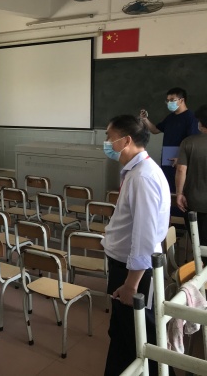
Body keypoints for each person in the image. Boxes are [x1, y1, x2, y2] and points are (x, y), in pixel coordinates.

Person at [101, 115, 170, 376]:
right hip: (126, 267)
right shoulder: (136, 171)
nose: (106, 143)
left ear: (126, 140)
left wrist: (131, 285)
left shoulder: (143, 177)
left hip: (132, 273)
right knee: (123, 334)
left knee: (140, 337)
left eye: (109, 137)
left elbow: (145, 238)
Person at [140, 87, 199, 192]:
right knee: (167, 189)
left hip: (181, 161)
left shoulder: (191, 118)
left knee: (179, 191)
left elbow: (193, 141)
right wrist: (145, 120)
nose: (169, 103)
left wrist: (181, 158)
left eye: (172, 100)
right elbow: (155, 130)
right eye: (167, 100)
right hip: (167, 159)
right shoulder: (170, 118)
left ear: (181, 100)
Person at [176, 104, 207, 247]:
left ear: (200, 123)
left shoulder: (188, 142)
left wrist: (179, 193)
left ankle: (199, 260)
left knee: (198, 244)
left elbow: (181, 170)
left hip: (193, 202)